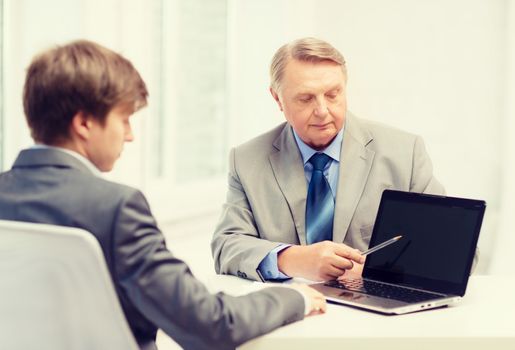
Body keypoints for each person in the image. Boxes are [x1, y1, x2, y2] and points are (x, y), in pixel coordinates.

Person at [0, 40, 326, 350]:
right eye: (124, 119)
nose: (129, 135)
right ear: (84, 123)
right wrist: (294, 297)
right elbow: (211, 326)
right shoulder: (116, 208)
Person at [211, 37, 445, 283]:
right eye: (306, 98)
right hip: (292, 311)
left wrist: (376, 271)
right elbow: (226, 245)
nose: (323, 111)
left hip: (379, 312)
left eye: (333, 94)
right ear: (277, 99)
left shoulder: (405, 153)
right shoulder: (247, 161)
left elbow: (452, 247)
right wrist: (292, 259)